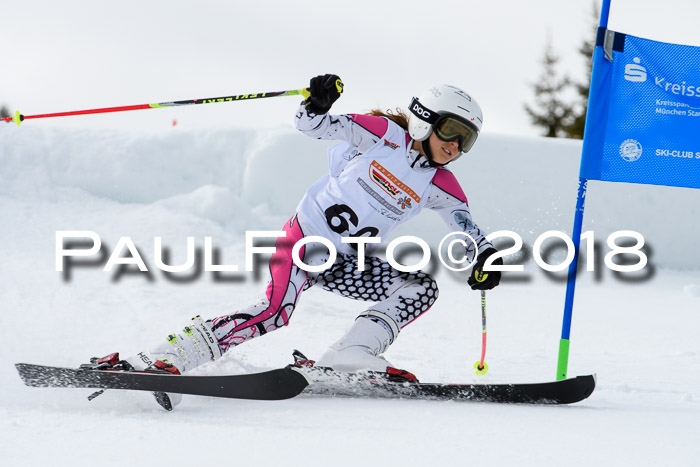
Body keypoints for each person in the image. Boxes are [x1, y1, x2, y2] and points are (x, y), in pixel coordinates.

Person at [100, 74, 502, 407]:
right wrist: (316, 104)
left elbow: (466, 226)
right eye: (451, 130)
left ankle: (351, 354)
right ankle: (165, 357)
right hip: (304, 240)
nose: (455, 145)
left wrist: (484, 256)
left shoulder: (440, 184)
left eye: (467, 140)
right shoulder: (382, 136)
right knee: (275, 311)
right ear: (424, 120)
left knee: (419, 287)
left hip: (346, 262)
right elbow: (312, 125)